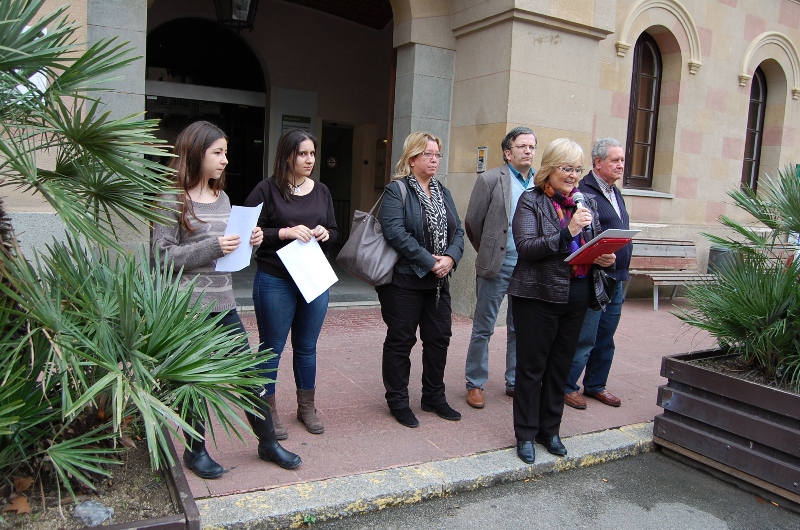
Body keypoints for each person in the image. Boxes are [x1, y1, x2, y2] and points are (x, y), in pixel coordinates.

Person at [152, 121, 301, 479]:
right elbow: (160, 258)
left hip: (223, 303)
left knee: (248, 377)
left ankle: (267, 443)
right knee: (194, 381)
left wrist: (249, 241)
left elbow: (227, 255)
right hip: (185, 310)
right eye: (217, 152)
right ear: (195, 153)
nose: (224, 160)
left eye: (225, 152)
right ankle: (195, 451)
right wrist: (213, 246)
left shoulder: (224, 199)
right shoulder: (170, 198)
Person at [507, 138, 615, 464]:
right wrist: (568, 231)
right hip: (537, 294)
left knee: (560, 366)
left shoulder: (584, 204)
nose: (572, 176)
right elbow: (527, 248)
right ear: (550, 169)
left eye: (577, 170)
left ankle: (549, 431)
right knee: (532, 368)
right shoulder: (531, 201)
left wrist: (602, 257)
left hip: (576, 293)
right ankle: (525, 433)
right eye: (566, 168)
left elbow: (589, 245)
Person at [244, 128, 337, 438]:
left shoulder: (322, 191)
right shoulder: (266, 190)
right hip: (275, 279)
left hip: (313, 279)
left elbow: (335, 232)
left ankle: (306, 407)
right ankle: (266, 410)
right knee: (272, 348)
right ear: (287, 156)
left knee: (307, 348)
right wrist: (284, 232)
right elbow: (247, 231)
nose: (309, 159)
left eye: (312, 153)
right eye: (302, 154)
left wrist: (325, 233)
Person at [377, 131, 465, 428]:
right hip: (404, 281)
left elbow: (459, 231)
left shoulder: (443, 191)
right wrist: (429, 262)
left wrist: (450, 258)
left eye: (437, 154)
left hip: (438, 283)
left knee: (439, 339)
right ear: (412, 158)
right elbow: (394, 232)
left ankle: (433, 396)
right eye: (428, 154)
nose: (434, 159)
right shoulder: (397, 190)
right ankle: (398, 400)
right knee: (401, 341)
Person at [464, 127, 537, 408]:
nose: (528, 151)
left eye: (531, 146)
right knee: (484, 327)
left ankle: (515, 381)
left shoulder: (541, 182)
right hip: (498, 264)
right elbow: (472, 221)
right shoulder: (491, 179)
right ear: (508, 152)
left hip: (528, 267)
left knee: (520, 328)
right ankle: (475, 383)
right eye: (522, 146)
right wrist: (489, 250)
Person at [564, 138, 631, 410]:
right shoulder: (584, 190)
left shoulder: (616, 192)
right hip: (593, 277)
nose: (620, 165)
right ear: (597, 162)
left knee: (606, 335)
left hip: (618, 275)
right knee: (585, 335)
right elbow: (578, 234)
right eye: (614, 160)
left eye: (622, 161)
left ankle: (596, 385)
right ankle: (567, 385)